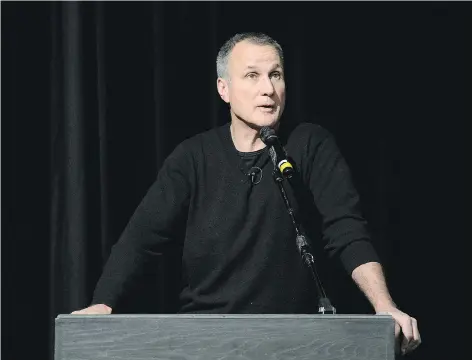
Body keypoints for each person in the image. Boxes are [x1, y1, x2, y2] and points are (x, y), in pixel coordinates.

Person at [72, 32, 421, 355]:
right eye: (252, 76)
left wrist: (384, 305)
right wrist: (104, 303)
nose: (267, 89)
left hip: (293, 339)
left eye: (276, 75)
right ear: (224, 89)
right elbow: (140, 240)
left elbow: (346, 230)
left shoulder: (310, 145)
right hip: (205, 337)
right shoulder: (193, 157)